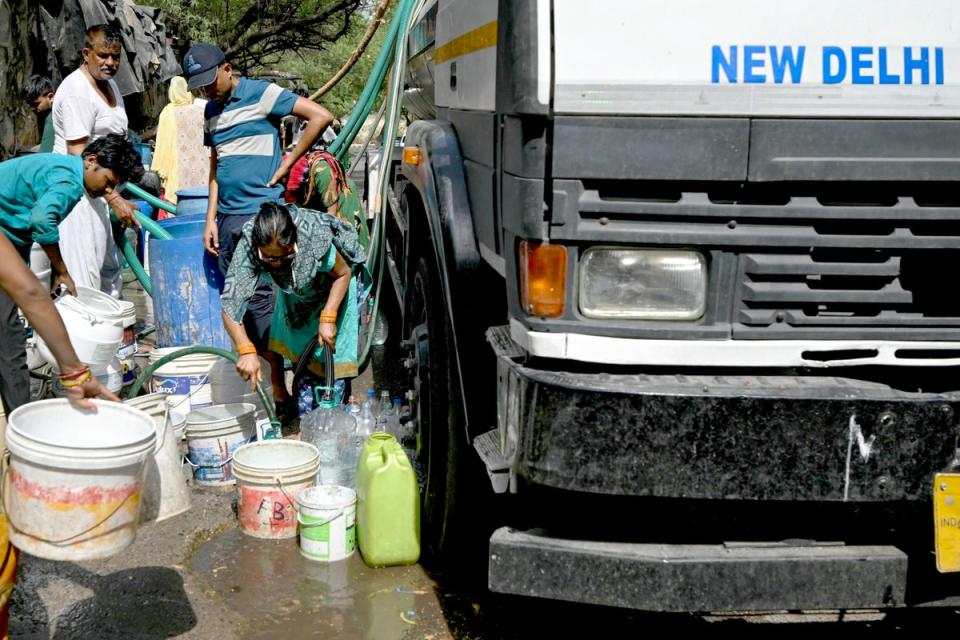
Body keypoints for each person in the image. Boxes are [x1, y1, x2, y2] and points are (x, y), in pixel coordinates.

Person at [182, 42, 335, 421]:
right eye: (197, 86)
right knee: (245, 307)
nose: (206, 90)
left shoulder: (262, 94)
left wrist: (288, 162)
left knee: (269, 304)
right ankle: (279, 388)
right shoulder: (211, 112)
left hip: (263, 218)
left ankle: (293, 387)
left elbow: (320, 116)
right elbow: (217, 167)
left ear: (227, 68)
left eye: (208, 81)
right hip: (229, 221)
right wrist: (209, 219)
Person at [0, 134, 143, 416]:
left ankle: (20, 426)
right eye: (109, 182)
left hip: (9, 240)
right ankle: (22, 429)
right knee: (10, 338)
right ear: (91, 161)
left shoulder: (61, 168)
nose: (108, 191)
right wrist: (62, 270)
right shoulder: (69, 182)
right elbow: (42, 220)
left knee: (8, 333)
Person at [219, 203, 364, 403]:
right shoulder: (249, 246)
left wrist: (329, 316)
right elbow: (230, 306)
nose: (276, 263)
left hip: (337, 284)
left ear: (293, 242)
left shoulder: (313, 234)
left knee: (333, 359)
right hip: (300, 290)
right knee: (305, 353)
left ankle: (337, 405)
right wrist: (245, 349)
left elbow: (343, 273)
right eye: (268, 258)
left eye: (283, 256)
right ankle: (306, 411)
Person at [52, 23, 140, 299]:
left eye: (115, 57)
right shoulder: (78, 90)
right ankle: (84, 338)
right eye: (103, 56)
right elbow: (79, 155)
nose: (110, 63)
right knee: (85, 276)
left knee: (110, 271)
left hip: (104, 190)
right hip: (80, 193)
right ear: (86, 53)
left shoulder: (111, 84)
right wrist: (115, 199)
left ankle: (114, 338)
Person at [150, 76, 210, 204]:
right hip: (202, 166)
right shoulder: (200, 110)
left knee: (180, 204)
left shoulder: (167, 112)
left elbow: (162, 145)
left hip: (177, 167)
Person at [23, 75, 56, 153]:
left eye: (36, 104)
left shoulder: (52, 117)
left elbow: (46, 154)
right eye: (31, 105)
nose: (33, 109)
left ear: (50, 97)